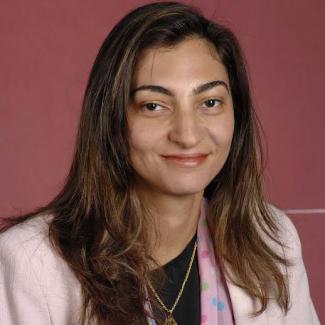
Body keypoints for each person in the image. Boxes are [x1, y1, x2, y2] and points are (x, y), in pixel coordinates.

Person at [0, 2, 320, 325]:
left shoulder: (271, 239)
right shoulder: (31, 266)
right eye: (154, 105)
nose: (187, 134)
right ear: (112, 120)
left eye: (210, 102)